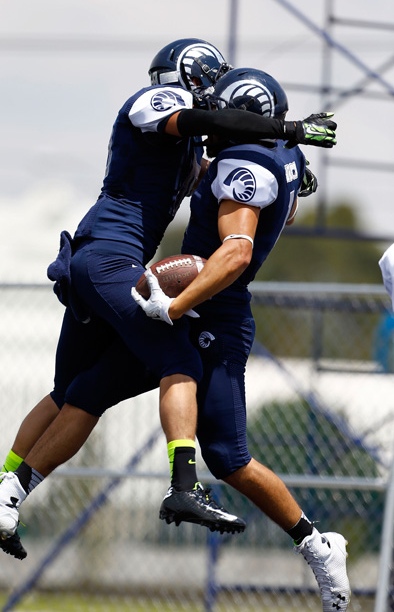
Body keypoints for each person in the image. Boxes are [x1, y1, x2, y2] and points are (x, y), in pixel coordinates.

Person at [0, 39, 338, 562]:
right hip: (109, 260)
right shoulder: (151, 102)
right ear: (192, 75)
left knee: (71, 392)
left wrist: (289, 166)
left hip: (107, 264)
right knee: (178, 356)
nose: (218, 103)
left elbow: (228, 172)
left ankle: (1, 496)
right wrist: (290, 130)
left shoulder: (191, 151)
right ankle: (185, 486)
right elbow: (200, 124)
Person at [132, 67, 350, 612]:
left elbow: (236, 252)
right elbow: (288, 204)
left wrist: (177, 303)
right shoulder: (279, 158)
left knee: (229, 456)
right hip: (215, 308)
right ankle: (182, 484)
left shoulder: (245, 165)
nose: (214, 122)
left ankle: (316, 544)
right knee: (112, 383)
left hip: (216, 311)